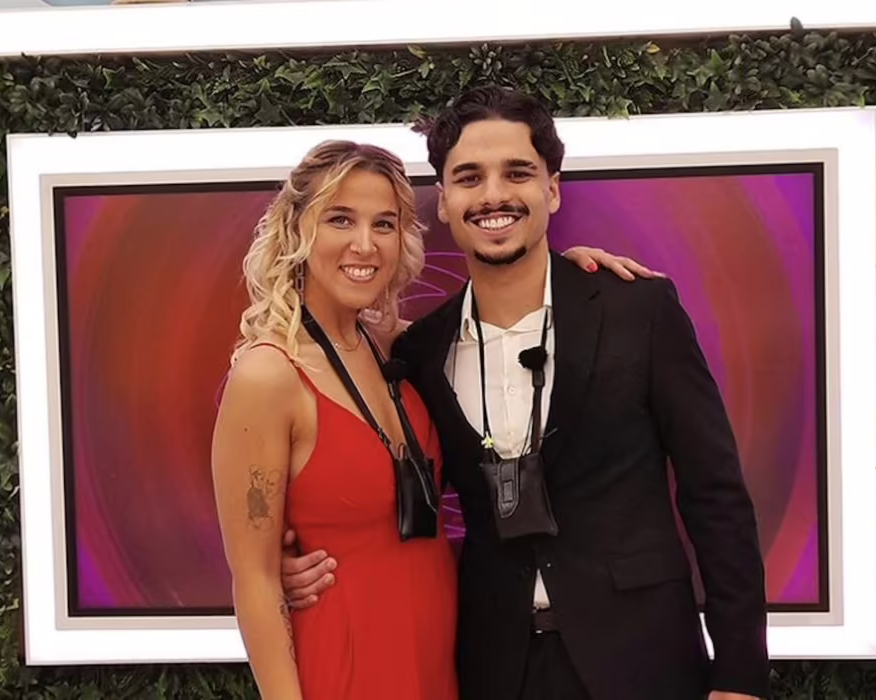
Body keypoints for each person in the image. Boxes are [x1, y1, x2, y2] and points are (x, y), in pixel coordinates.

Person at [281, 87, 772, 700]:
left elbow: (715, 497)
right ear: (445, 201)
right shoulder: (418, 353)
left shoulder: (638, 311)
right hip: (492, 666)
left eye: (517, 173)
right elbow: (375, 493)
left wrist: (740, 675)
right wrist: (290, 560)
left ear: (553, 189)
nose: (493, 195)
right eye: (469, 177)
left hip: (645, 661)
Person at [210, 139, 650, 700]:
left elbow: (504, 310)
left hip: (436, 660)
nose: (364, 244)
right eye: (339, 219)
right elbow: (254, 579)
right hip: (346, 664)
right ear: (297, 229)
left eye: (384, 224)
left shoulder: (396, 346)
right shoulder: (268, 375)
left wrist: (564, 275)